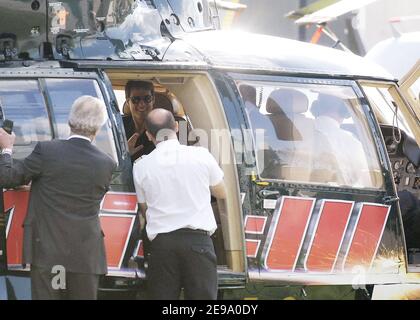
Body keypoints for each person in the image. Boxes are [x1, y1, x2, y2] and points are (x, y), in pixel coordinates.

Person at [0, 96, 116, 300]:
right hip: (86, 256)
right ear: (98, 128)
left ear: (69, 122)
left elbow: (7, 177)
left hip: (48, 253)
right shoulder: (107, 163)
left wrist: (7, 148)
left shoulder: (46, 151)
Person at [133, 108, 227, 300]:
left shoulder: (141, 166)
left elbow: (145, 209)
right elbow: (221, 192)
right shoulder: (201, 155)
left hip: (162, 246)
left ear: (149, 135)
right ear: (176, 127)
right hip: (198, 243)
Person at [123, 80, 156, 162]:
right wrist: (124, 154)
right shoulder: (119, 126)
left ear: (153, 100)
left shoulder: (164, 127)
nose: (142, 104)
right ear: (128, 102)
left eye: (147, 99)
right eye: (135, 99)